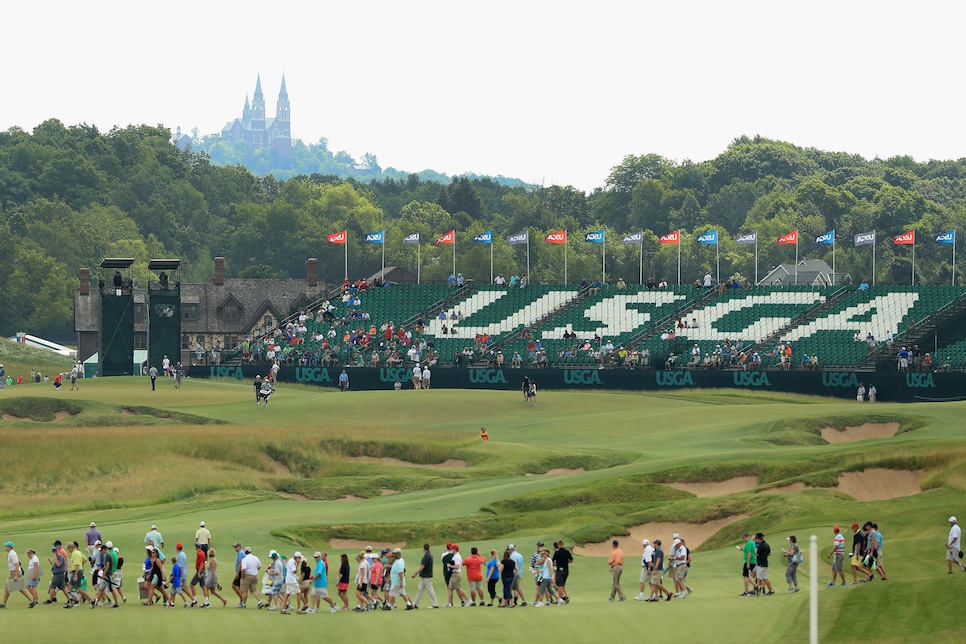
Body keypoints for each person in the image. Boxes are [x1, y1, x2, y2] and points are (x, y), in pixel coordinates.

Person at [3, 542, 33, 608]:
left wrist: (16, 575)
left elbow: (17, 564)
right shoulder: (10, 553)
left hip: (14, 572)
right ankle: (31, 601)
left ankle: (3, 604)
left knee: (15, 588)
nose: (5, 547)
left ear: (9, 547)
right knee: (10, 588)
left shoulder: (12, 554)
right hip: (12, 572)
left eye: (6, 546)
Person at [411, 543, 438, 609]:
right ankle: (415, 603)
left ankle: (435, 603)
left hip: (426, 576)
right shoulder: (430, 555)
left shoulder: (426, 556)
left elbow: (422, 566)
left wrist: (416, 573)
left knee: (430, 589)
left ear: (424, 548)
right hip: (425, 575)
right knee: (420, 589)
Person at [552, 539, 572, 604]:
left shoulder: (557, 553)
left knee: (559, 585)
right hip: (566, 570)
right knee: (563, 584)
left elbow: (554, 562)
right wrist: (566, 562)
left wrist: (558, 564)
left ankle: (560, 599)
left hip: (559, 571)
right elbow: (571, 560)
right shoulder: (567, 552)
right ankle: (566, 596)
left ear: (558, 545)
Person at [741, 532, 757, 596]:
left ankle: (746, 592)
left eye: (743, 538)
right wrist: (743, 550)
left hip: (750, 561)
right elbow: (748, 551)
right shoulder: (752, 542)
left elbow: (749, 553)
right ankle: (757, 586)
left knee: (746, 576)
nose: (743, 539)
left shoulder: (748, 543)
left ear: (746, 537)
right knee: (746, 575)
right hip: (753, 561)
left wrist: (748, 563)